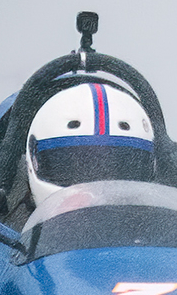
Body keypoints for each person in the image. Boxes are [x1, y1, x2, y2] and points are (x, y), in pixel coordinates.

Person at [24, 80, 158, 205]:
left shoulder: (165, 222)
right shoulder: (9, 221)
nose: (95, 195)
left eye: (121, 167)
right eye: (71, 169)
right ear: (33, 162)